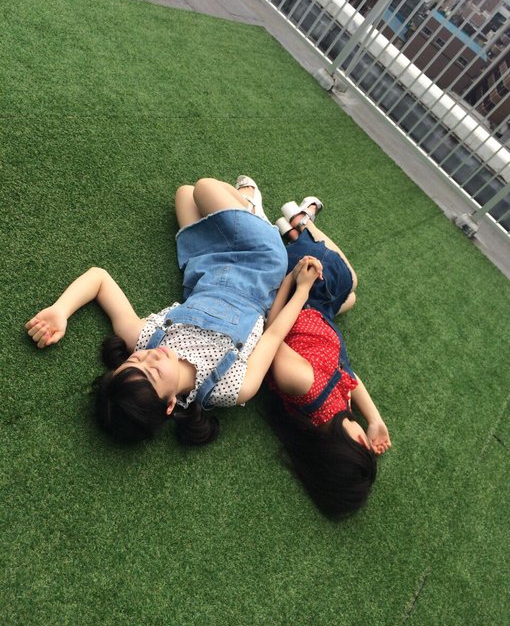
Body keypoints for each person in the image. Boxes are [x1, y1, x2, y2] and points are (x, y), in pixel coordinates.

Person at [25, 177, 322, 446]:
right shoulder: (229, 387)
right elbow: (273, 335)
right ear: (169, 404)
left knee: (184, 195)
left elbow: (99, 279)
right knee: (204, 188)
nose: (151, 356)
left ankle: (250, 215)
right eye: (154, 372)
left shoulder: (144, 340)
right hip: (261, 264)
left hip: (207, 265)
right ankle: (252, 206)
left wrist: (61, 310)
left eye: (135, 360)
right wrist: (302, 289)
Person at [267, 198, 391, 518]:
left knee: (349, 278)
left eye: (362, 450)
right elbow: (347, 376)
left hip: (303, 294)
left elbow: (270, 332)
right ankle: (294, 232)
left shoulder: (304, 385)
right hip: (321, 314)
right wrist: (375, 419)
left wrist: (297, 284)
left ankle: (302, 222)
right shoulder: (326, 417)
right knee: (351, 297)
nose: (368, 444)